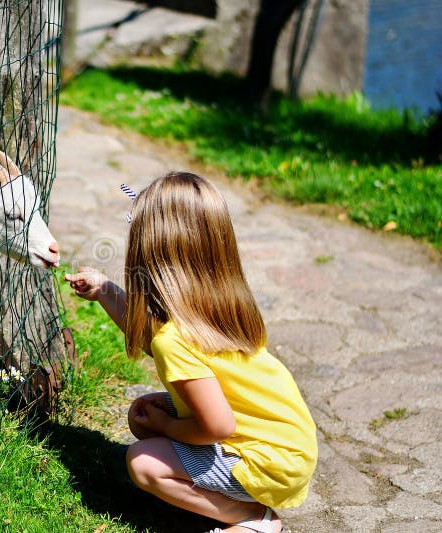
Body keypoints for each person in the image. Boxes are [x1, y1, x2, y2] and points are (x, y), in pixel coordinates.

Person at [64, 172, 317, 533]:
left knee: (143, 462)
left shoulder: (173, 339)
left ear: (149, 254)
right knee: (143, 414)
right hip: (288, 443)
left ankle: (250, 517)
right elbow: (151, 335)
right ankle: (216, 495)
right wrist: (105, 290)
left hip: (266, 461)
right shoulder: (221, 307)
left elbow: (218, 425)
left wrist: (168, 425)